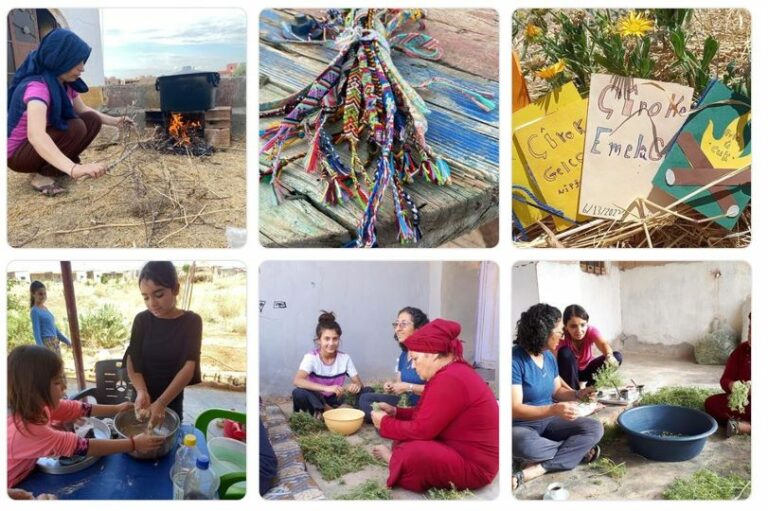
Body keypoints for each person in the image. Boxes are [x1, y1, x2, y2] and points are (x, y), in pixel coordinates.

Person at [7, 345, 164, 488]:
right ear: (33, 390)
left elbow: (77, 408)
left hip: (25, 474)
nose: (64, 386)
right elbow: (83, 446)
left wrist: (115, 409)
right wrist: (133, 444)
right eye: (56, 382)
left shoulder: (37, 406)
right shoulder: (26, 431)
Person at [370, 319, 498, 492]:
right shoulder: (450, 372)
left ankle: (393, 460)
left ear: (433, 354)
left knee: (412, 452)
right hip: (456, 448)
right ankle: (396, 459)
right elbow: (428, 414)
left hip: (475, 468)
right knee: (403, 438)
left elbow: (422, 430)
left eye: (415, 359)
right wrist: (395, 412)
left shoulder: (450, 378)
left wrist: (384, 423)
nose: (414, 366)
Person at [7, 28, 135, 195]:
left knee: (90, 119)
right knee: (75, 126)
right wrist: (73, 169)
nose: (82, 68)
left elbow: (83, 109)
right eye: (77, 62)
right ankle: (43, 176)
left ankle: (55, 166)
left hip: (35, 146)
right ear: (60, 59)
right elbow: (35, 135)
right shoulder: (37, 88)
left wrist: (116, 121)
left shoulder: (64, 83)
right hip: (18, 154)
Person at [512, 303, 603, 491]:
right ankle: (579, 451)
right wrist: (553, 409)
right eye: (559, 331)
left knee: (594, 428)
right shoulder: (514, 361)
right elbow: (514, 408)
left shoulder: (548, 357)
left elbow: (557, 392)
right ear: (542, 332)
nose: (563, 335)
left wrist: (578, 394)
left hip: (549, 421)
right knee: (526, 445)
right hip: (521, 426)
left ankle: (539, 467)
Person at [124, 262, 202, 427]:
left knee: (166, 437)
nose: (152, 303)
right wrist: (141, 391)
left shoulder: (192, 322)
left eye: (158, 294)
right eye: (145, 297)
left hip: (170, 400)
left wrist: (161, 403)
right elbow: (133, 359)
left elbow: (189, 368)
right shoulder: (142, 320)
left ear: (175, 289)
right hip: (141, 399)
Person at [292, 311, 373, 418]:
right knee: (298, 393)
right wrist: (326, 388)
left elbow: (359, 384)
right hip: (318, 399)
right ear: (318, 340)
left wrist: (353, 387)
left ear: (339, 339)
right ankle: (330, 412)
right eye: (327, 339)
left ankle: (331, 414)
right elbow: (297, 381)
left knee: (368, 392)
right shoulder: (311, 357)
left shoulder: (345, 358)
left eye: (335, 339)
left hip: (336, 398)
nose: (331, 343)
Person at [358, 306, 429, 422]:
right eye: (396, 324)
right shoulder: (404, 355)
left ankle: (390, 422)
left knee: (381, 425)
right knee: (365, 399)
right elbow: (399, 383)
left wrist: (408, 387)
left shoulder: (428, 355)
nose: (397, 329)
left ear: (418, 328)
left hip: (423, 407)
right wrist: (391, 386)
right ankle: (389, 421)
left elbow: (437, 390)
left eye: (403, 324)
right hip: (403, 403)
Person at [705, 313, 751, 437]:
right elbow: (725, 379)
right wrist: (731, 385)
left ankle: (746, 427)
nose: (751, 335)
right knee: (711, 403)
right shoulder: (741, 351)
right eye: (751, 329)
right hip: (744, 404)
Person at [556, 304, 622, 389]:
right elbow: (554, 365)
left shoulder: (591, 331)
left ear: (587, 324)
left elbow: (603, 344)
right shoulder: (561, 337)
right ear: (566, 327)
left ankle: (591, 389)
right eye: (573, 326)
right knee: (565, 352)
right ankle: (574, 393)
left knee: (617, 356)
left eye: (583, 325)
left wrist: (609, 356)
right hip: (570, 374)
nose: (579, 330)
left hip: (588, 371)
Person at [29, 281, 71, 356]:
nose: (43, 296)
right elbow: (37, 334)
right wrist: (42, 350)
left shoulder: (45, 308)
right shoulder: (34, 311)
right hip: (47, 344)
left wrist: (67, 341)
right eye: (40, 294)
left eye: (45, 294)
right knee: (51, 367)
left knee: (57, 366)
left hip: (55, 343)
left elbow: (55, 330)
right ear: (33, 294)